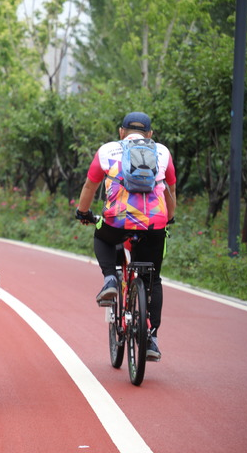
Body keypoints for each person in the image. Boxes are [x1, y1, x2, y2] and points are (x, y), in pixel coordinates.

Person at [75, 111, 176, 361]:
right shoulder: (162, 152)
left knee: (102, 236)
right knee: (152, 280)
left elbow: (90, 186)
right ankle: (151, 337)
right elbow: (170, 190)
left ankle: (110, 278)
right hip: (154, 223)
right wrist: (168, 218)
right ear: (150, 135)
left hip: (118, 221)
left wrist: (83, 213)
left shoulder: (107, 151)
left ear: (121, 132)